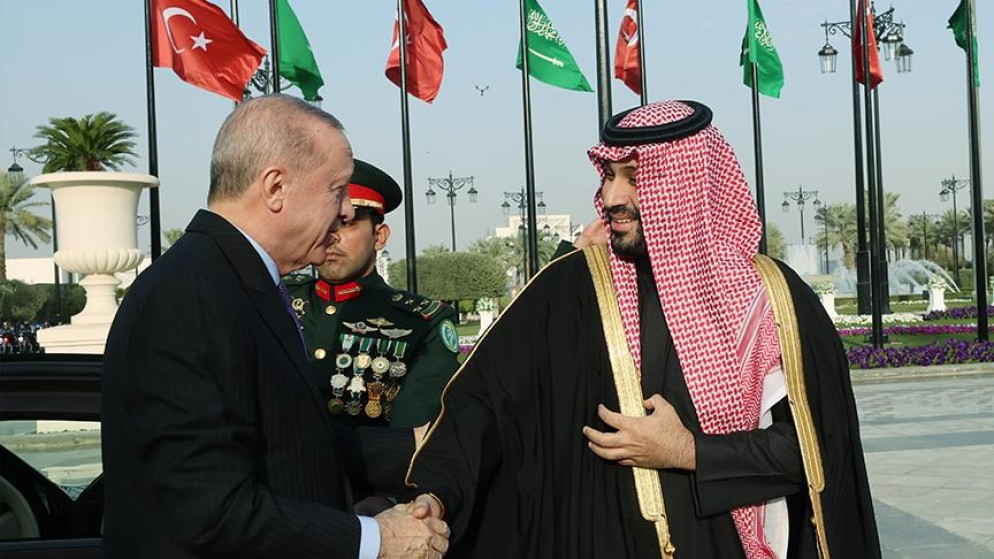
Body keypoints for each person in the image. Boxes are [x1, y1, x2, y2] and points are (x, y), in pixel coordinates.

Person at [405, 100, 880, 558]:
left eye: (634, 178)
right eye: (608, 176)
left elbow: (817, 451)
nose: (612, 197)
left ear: (687, 184)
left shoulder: (772, 298)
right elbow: (482, 405)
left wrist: (691, 452)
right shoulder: (568, 289)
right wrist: (437, 496)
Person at [102, 94, 448, 559]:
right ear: (275, 187)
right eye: (337, 189)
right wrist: (375, 540)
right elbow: (207, 510)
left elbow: (289, 445)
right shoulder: (190, 295)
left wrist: (417, 445)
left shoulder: (232, 281)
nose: (347, 210)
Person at [286, 160, 461, 430]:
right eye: (323, 222)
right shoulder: (276, 300)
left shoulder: (423, 322)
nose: (331, 236)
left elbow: (414, 435)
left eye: (346, 223)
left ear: (379, 237)